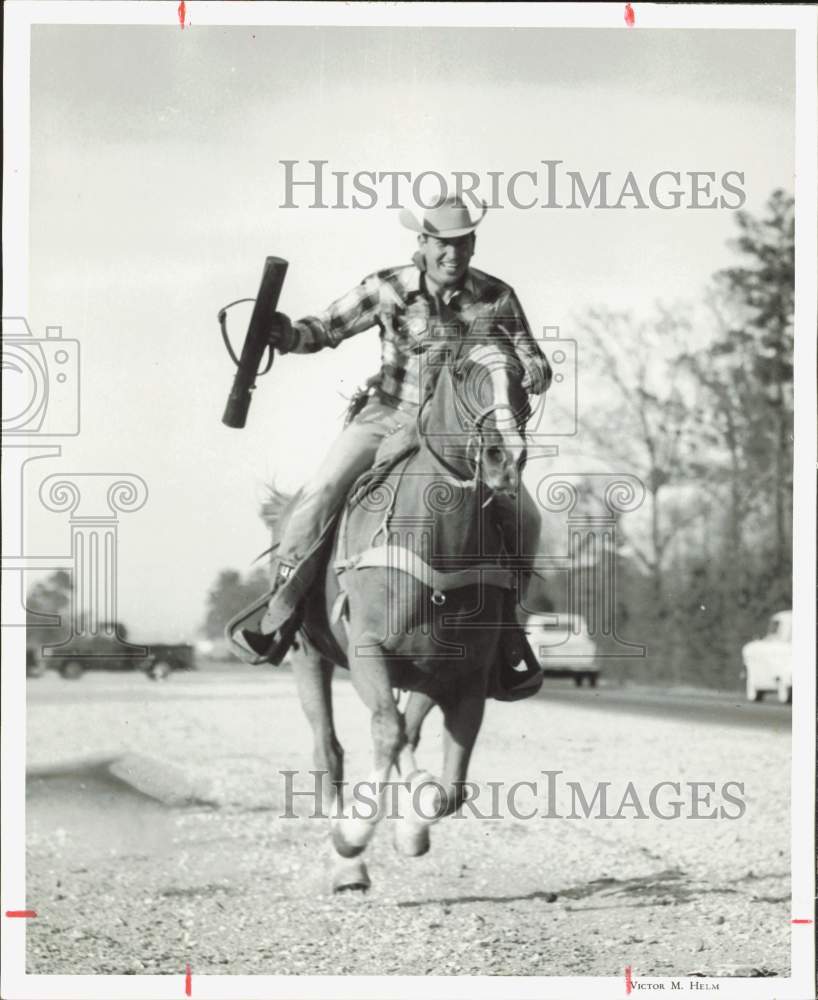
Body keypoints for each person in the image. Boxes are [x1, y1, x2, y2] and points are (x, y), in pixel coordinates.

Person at [243, 197, 552, 668]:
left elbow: (532, 355)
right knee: (322, 491)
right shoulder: (386, 288)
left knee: (527, 517)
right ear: (423, 243)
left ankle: (508, 628)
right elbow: (325, 328)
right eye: (443, 244)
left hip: (460, 436)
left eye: (462, 243)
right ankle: (281, 609)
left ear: (473, 244)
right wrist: (287, 336)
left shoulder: (497, 297)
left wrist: (533, 370)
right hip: (386, 416)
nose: (453, 254)